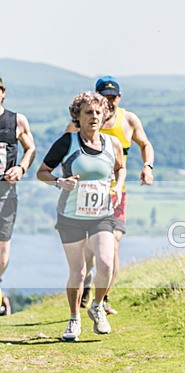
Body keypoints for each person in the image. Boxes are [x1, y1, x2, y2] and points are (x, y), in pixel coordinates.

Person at [37, 91, 125, 341]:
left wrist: (118, 186)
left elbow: (121, 168)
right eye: (88, 112)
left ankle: (97, 307)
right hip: (71, 216)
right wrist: (59, 182)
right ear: (78, 115)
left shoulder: (112, 144)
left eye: (99, 112)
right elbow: (41, 172)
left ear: (105, 115)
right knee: (78, 271)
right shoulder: (67, 142)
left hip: (102, 216)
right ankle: (74, 320)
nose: (94, 117)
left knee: (106, 263)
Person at [66, 76, 155, 314]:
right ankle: (85, 283)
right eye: (104, 98)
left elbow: (145, 144)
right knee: (88, 248)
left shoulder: (128, 119)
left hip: (116, 194)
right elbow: (66, 146)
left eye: (113, 98)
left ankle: (102, 299)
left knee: (112, 245)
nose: (109, 102)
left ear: (119, 98)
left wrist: (148, 166)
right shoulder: (85, 119)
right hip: (85, 194)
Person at [0, 75, 37, 315]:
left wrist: (21, 167)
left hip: (5, 193)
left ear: (3, 91)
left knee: (2, 254)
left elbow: (30, 148)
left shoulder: (16, 121)